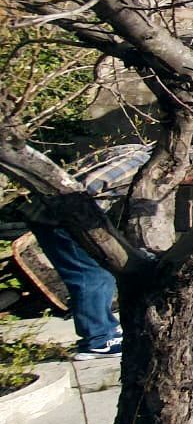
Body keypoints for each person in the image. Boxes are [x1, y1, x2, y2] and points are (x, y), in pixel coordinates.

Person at [29, 143, 151, 360]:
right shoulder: (138, 165)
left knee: (98, 274)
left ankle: (103, 330)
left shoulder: (133, 150)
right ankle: (97, 340)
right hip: (62, 218)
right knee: (91, 276)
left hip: (58, 215)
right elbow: (88, 187)